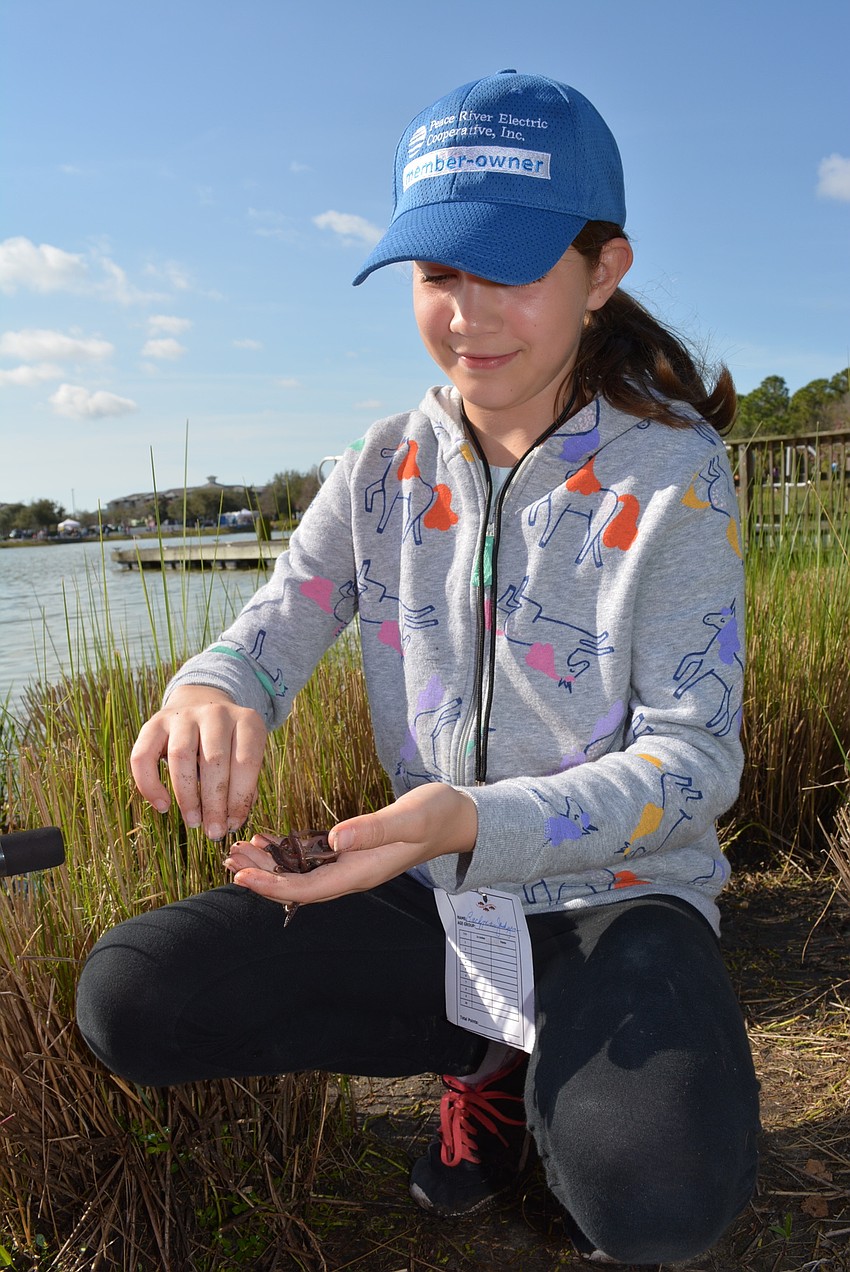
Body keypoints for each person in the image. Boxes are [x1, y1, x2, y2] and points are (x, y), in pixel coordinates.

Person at [76, 71, 760, 1266]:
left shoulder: (677, 475)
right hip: (437, 888)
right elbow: (274, 626)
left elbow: (693, 760)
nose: (467, 314)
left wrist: (462, 820)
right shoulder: (379, 463)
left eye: (512, 270)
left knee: (653, 1196)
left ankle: (572, 1077)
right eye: (440, 275)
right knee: (132, 998)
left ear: (603, 274)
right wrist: (212, 690)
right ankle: (485, 1054)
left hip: (621, 895)